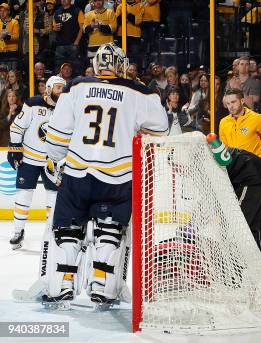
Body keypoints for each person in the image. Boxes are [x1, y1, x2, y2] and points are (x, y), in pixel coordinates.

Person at [43, 43, 168, 307]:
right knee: (110, 233)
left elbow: (55, 140)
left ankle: (62, 286)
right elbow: (161, 130)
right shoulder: (140, 92)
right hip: (118, 176)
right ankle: (103, 287)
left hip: (77, 172)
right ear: (121, 66)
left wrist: (59, 160)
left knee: (68, 231)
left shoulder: (76, 86)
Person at [7, 76, 65, 250]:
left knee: (53, 198)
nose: (61, 91)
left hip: (52, 160)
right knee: (23, 195)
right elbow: (17, 127)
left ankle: (52, 232)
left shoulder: (66, 108)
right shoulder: (33, 104)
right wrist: (15, 148)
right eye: (57, 87)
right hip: (29, 159)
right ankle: (18, 231)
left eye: (63, 87)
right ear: (48, 88)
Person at [226, 148, 261, 248]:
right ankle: (256, 260)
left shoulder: (202, 162)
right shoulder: (211, 151)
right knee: (251, 226)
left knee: (238, 223)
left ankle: (238, 259)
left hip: (252, 178)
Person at [220, 88, 261, 157]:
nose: (231, 106)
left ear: (242, 101)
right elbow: (223, 147)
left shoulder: (256, 118)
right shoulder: (223, 122)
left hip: (253, 165)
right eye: (228, 103)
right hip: (232, 165)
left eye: (233, 102)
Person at [52, 0, 84, 71]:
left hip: (73, 45)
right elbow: (53, 27)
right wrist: (55, 28)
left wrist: (76, 42)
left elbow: (82, 28)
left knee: (75, 68)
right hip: (60, 45)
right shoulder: (57, 12)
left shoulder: (77, 11)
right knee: (59, 68)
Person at [0, 3, 19, 70]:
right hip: (1, 52)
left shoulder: (14, 22)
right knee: (2, 74)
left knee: (12, 73)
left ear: (9, 12)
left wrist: (6, 36)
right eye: (0, 11)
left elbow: (16, 37)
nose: (2, 13)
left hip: (12, 52)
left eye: (4, 11)